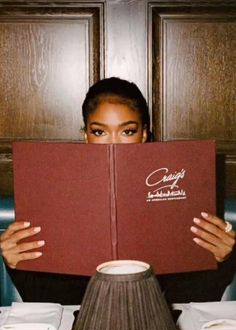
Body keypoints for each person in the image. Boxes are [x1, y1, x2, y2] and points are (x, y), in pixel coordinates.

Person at [0, 77, 235, 304]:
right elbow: (49, 301)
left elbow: (190, 301)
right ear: (86, 136)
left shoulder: (180, 184)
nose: (113, 143)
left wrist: (221, 259)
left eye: (128, 131)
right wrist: (15, 262)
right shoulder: (57, 192)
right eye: (100, 132)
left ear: (144, 134)